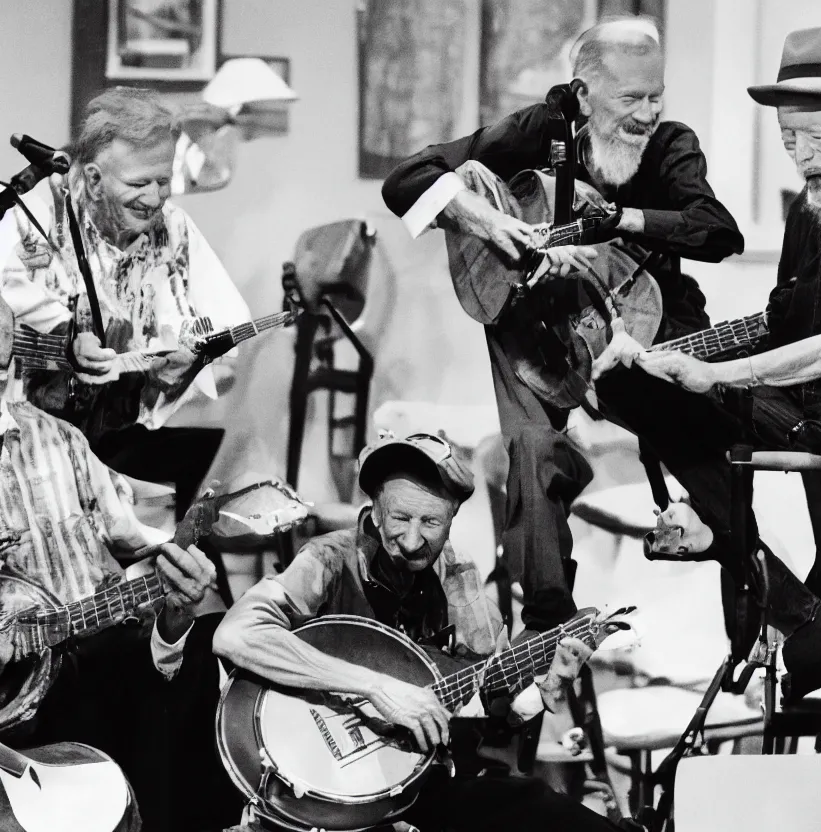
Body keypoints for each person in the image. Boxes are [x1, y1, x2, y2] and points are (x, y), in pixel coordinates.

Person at [381, 17, 744, 634]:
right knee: (528, 446)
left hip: (649, 329)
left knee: (725, 477)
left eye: (656, 94)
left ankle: (759, 601)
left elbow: (717, 230)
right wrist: (491, 226)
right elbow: (408, 179)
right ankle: (549, 624)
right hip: (547, 333)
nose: (649, 111)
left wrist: (621, 220)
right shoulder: (539, 130)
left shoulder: (670, 145)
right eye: (631, 97)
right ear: (581, 95)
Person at [214, 432, 626, 832]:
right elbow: (236, 635)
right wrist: (376, 688)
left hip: (409, 782)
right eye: (399, 518)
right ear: (375, 511)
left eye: (430, 521)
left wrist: (538, 694)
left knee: (542, 810)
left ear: (452, 517)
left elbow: (484, 698)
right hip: (313, 775)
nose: (412, 541)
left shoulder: (457, 575)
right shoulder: (330, 559)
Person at [592, 25, 821, 699]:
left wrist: (719, 376)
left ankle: (797, 637)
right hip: (796, 411)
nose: (800, 155)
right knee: (623, 385)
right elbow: (776, 324)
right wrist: (669, 359)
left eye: (815, 135)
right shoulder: (806, 218)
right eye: (789, 138)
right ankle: (797, 611)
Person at [0, 293, 239, 831]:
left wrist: (176, 578)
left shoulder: (59, 441)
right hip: (11, 718)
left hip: (87, 666)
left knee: (198, 643)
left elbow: (136, 539)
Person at [0, 86, 251, 522]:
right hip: (23, 455)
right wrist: (64, 335)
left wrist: (187, 365)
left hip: (112, 443)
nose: (155, 198)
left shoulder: (173, 227)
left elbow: (228, 337)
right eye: (138, 183)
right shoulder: (33, 216)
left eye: (163, 181)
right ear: (94, 178)